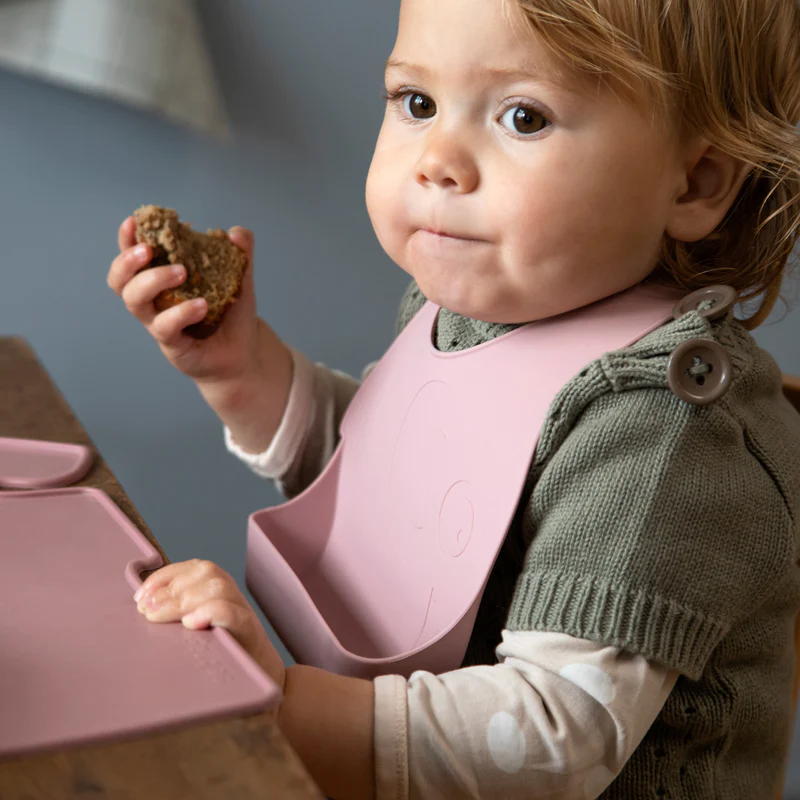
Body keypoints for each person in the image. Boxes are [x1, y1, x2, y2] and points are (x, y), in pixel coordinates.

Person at [107, 0, 800, 797]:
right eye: (417, 103)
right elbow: (409, 496)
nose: (438, 158)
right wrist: (243, 370)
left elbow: (549, 739)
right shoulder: (467, 312)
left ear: (696, 182)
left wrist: (282, 704)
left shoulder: (664, 430)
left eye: (524, 116)